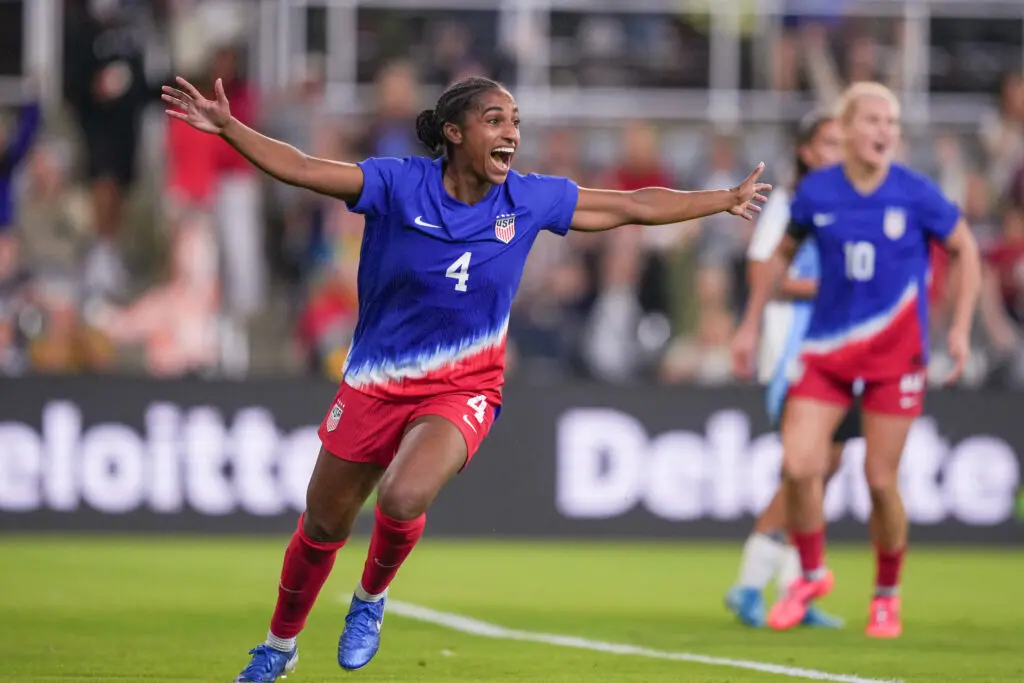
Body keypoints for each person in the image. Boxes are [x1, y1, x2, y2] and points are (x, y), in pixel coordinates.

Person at [162, 74, 770, 681]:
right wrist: (229, 127)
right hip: (375, 380)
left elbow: (632, 206)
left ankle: (370, 600)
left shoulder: (529, 200)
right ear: (454, 133)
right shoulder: (399, 184)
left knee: (403, 495)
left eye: (515, 122)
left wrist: (721, 198)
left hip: (465, 386)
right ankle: (279, 645)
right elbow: (299, 167)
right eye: (495, 121)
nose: (512, 132)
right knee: (323, 523)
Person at [731, 82, 981, 638]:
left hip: (896, 360)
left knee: (879, 481)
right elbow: (780, 254)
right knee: (799, 466)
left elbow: (965, 248)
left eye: (890, 122)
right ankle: (812, 575)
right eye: (871, 120)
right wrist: (751, 321)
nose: (883, 131)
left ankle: (886, 594)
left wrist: (960, 328)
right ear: (847, 129)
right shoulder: (818, 193)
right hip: (825, 354)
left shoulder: (916, 193)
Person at [725, 110, 846, 630]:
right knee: (807, 465)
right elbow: (766, 274)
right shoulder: (790, 205)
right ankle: (756, 584)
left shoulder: (853, 205)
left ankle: (793, 586)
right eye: (828, 142)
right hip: (795, 343)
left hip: (843, 344)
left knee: (822, 467)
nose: (838, 151)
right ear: (807, 150)